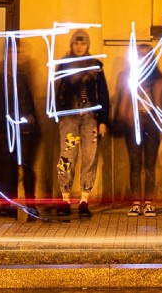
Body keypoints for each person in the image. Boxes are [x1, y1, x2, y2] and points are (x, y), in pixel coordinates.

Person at [54, 29, 110, 218]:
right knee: (66, 157)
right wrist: (59, 114)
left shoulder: (96, 66)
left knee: (90, 157)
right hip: (69, 117)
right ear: (72, 45)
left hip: (90, 118)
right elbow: (56, 90)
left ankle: (84, 200)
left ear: (87, 45)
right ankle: (65, 199)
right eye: (76, 43)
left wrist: (103, 120)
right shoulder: (63, 65)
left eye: (83, 43)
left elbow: (103, 94)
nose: (79, 46)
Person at [114, 43, 162, 218]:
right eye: (140, 55)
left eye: (147, 55)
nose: (144, 59)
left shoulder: (158, 78)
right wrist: (124, 117)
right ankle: (137, 203)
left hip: (152, 121)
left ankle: (149, 203)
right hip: (134, 123)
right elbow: (122, 100)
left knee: (150, 166)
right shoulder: (128, 76)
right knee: (135, 165)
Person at [0, 41, 40, 218]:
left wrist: (30, 118)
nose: (15, 56)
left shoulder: (23, 76)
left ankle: (31, 205)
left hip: (25, 129)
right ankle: (8, 205)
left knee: (26, 167)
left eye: (17, 53)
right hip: (7, 129)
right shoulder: (1, 77)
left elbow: (29, 102)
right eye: (11, 52)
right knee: (8, 169)